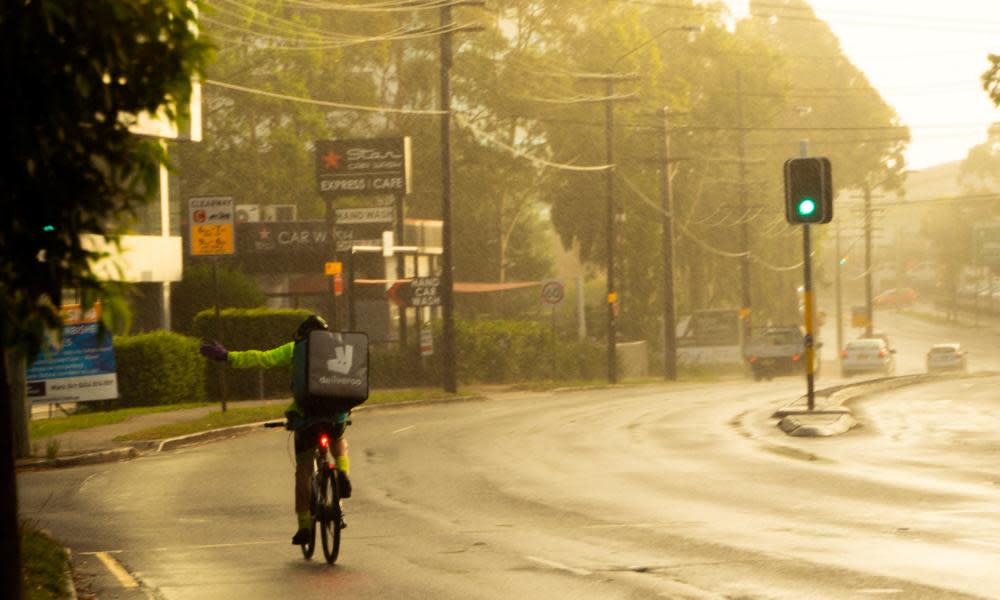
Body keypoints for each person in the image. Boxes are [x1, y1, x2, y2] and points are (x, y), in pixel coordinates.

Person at [200, 314, 352, 545]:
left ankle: (304, 528)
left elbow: (262, 359)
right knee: (338, 437)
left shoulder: (295, 348)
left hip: (306, 417)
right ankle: (342, 473)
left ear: (302, 335)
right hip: (335, 415)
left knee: (303, 471)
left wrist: (227, 357)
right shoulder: (338, 348)